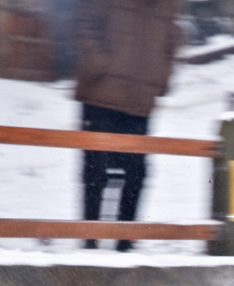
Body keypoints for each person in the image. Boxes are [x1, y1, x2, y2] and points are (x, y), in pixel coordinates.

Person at [74, 0, 182, 251]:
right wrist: (100, 65)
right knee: (96, 171)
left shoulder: (168, 4)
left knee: (136, 173)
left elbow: (172, 39)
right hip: (101, 94)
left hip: (139, 101)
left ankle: (125, 244)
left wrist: (160, 78)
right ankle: (89, 241)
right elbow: (85, 23)